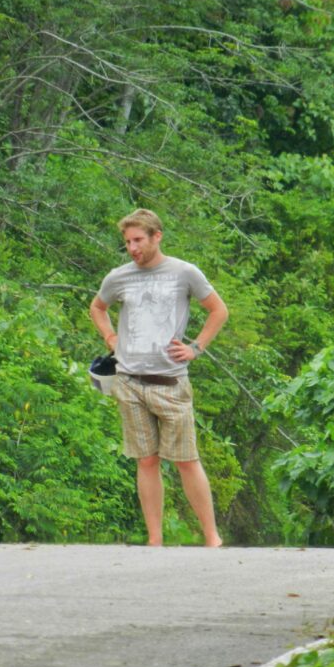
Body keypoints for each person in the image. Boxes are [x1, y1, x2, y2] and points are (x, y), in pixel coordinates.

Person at [89, 209, 228, 547]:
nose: (133, 248)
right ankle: (155, 539)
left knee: (185, 459)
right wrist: (110, 338)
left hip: (170, 381)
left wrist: (195, 347)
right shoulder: (119, 277)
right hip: (129, 379)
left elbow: (218, 310)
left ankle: (212, 538)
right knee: (146, 459)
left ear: (156, 237)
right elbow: (97, 307)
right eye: (127, 242)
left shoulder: (183, 272)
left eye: (138, 240)